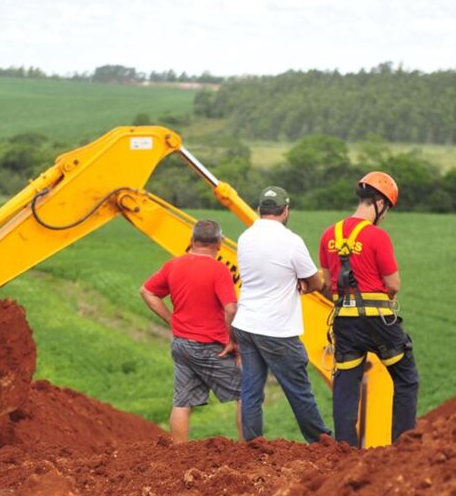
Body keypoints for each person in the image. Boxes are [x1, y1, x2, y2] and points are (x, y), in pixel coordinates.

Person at [318, 172, 419, 448]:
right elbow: (393, 283)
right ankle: (403, 447)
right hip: (378, 321)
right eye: (387, 209)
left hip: (344, 321)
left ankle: (344, 450)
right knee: (406, 377)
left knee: (346, 384)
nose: (385, 215)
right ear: (379, 203)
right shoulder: (377, 236)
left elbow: (326, 283)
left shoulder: (328, 235)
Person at [232, 186, 330, 443]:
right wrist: (302, 284)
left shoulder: (245, 237)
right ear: (285, 210)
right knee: (299, 390)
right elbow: (315, 281)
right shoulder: (291, 241)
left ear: (259, 210)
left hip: (246, 324)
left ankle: (253, 444)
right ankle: (322, 443)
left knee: (251, 389)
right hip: (276, 328)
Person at [140, 219, 241, 443]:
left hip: (181, 345)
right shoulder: (219, 270)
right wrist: (233, 341)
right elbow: (231, 308)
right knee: (246, 392)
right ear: (220, 243)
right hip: (210, 345)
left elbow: (146, 291)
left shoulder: (173, 265)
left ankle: (180, 454)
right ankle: (250, 452)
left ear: (192, 240)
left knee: (182, 402)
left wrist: (171, 320)